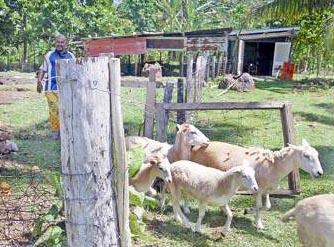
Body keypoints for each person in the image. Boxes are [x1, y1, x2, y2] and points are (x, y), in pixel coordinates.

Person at [37, 34, 75, 140]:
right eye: (58, 42)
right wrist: (39, 81)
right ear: (55, 43)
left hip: (66, 89)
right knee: (54, 110)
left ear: (66, 44)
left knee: (66, 110)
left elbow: (75, 72)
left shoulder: (71, 56)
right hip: (51, 88)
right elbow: (42, 69)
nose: (59, 44)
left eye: (62, 42)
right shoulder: (49, 55)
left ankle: (67, 132)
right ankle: (55, 134)